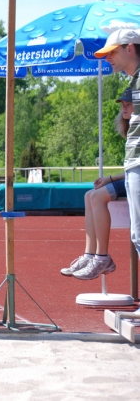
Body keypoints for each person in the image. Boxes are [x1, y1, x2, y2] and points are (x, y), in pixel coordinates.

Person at [60, 88, 133, 279]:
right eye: (122, 105)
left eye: (128, 105)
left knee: (98, 196)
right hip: (131, 176)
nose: (124, 108)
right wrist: (110, 178)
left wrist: (110, 179)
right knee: (89, 194)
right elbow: (130, 166)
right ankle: (89, 254)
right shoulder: (131, 128)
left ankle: (102, 257)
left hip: (137, 180)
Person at [92, 30, 140, 287]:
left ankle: (98, 256)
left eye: (112, 52)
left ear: (130, 49)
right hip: (134, 165)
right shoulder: (135, 82)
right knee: (137, 234)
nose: (107, 58)